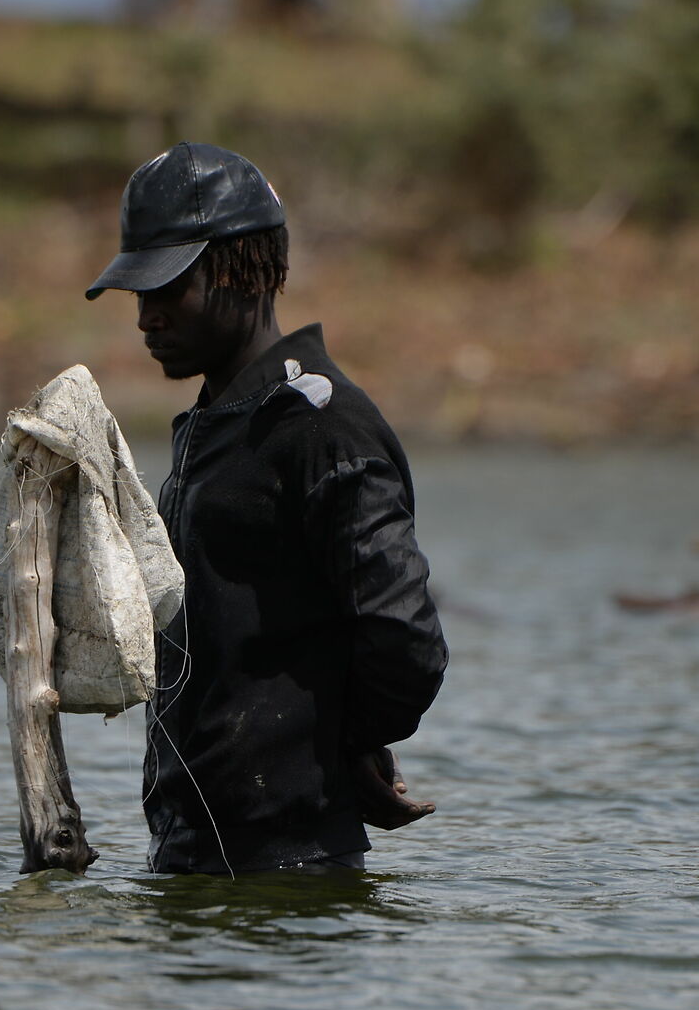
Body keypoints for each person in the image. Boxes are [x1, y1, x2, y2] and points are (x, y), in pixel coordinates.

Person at [85, 143, 447, 875]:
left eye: (167, 288)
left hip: (292, 869)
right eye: (138, 293)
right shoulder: (218, 424)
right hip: (195, 857)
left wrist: (345, 745)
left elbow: (406, 638)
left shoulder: (319, 424)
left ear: (238, 271)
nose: (146, 317)